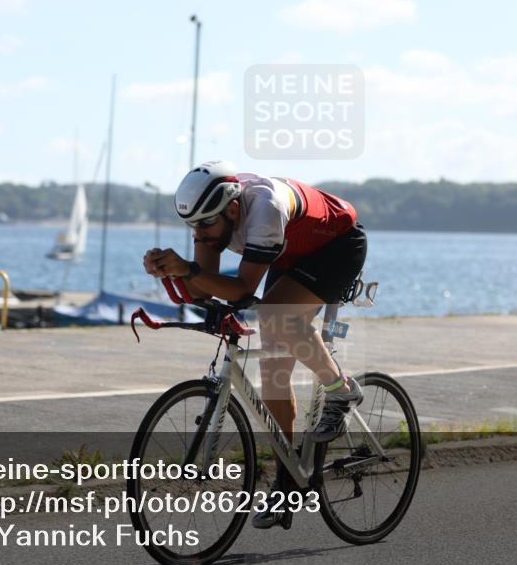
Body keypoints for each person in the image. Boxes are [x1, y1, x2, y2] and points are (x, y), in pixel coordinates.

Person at [142, 160, 368, 530]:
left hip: (337, 245)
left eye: (205, 225)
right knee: (273, 376)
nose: (199, 234)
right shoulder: (211, 218)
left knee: (276, 315)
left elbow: (241, 289)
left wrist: (190, 272)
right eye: (192, 226)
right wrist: (171, 272)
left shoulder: (265, 209)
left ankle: (341, 390)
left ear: (232, 209)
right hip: (289, 251)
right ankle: (287, 482)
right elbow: (205, 286)